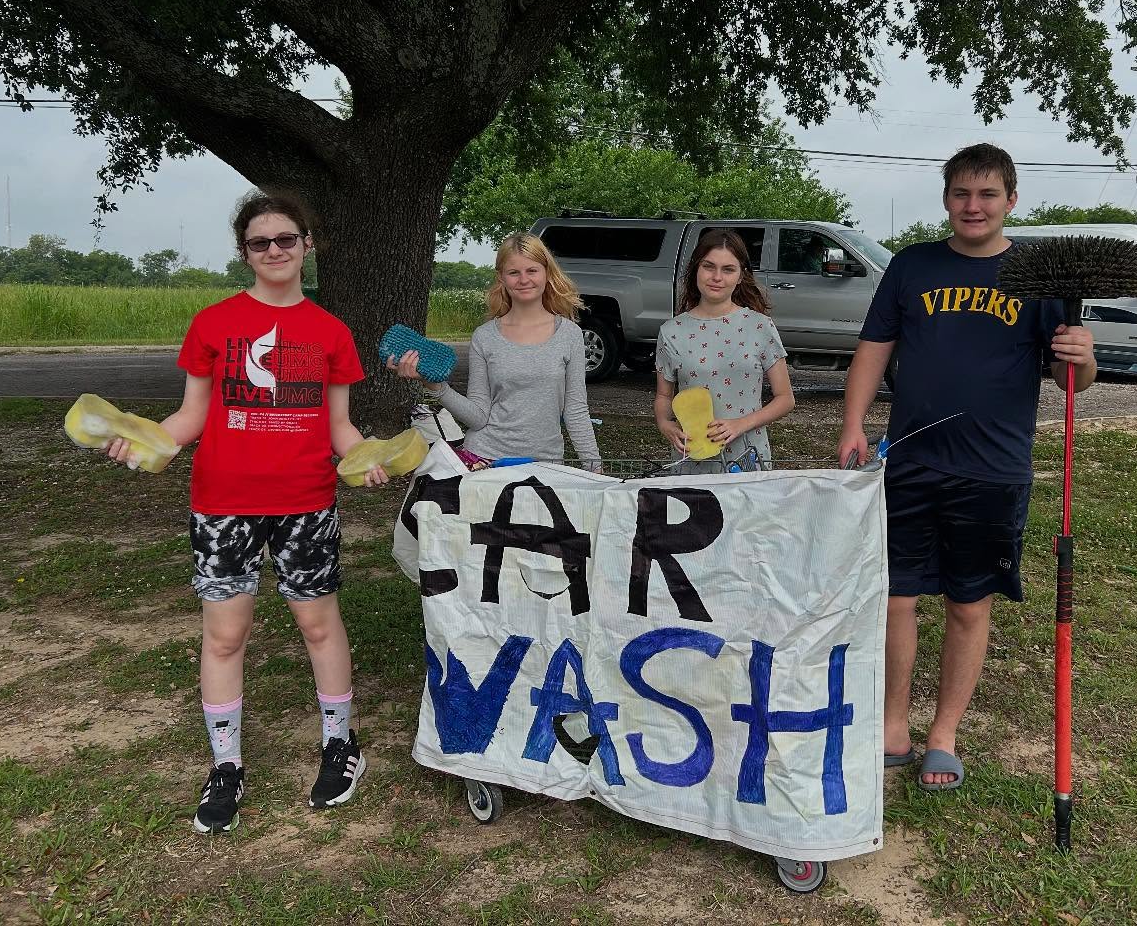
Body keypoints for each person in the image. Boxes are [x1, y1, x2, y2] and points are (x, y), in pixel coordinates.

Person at [101, 190, 388, 834]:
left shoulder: (331, 331)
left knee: (319, 626)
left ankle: (341, 746)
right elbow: (191, 415)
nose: (275, 250)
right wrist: (144, 441)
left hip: (306, 502)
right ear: (245, 253)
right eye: (261, 242)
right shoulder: (213, 323)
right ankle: (226, 766)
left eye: (286, 239)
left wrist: (367, 458)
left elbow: (340, 426)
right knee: (225, 636)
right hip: (223, 503)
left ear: (306, 245)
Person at [835, 144, 1097, 792]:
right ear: (947, 198)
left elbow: (1072, 379)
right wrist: (853, 424)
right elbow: (874, 348)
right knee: (895, 597)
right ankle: (893, 728)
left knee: (968, 603)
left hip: (993, 471)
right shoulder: (912, 265)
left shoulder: (1036, 278)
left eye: (986, 195)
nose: (972, 206)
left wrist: (1083, 356)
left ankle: (944, 736)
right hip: (910, 461)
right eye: (961, 193)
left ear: (1011, 200)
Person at [389, 233, 602, 470]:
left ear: (547, 272)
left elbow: (575, 410)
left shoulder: (570, 334)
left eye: (532, 270)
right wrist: (435, 387)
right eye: (514, 272)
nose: (524, 280)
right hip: (485, 461)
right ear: (501, 277)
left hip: (545, 464)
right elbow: (478, 417)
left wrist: (595, 469)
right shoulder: (484, 337)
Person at [654, 229, 795, 472]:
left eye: (728, 269)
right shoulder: (671, 331)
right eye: (709, 266)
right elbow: (664, 396)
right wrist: (664, 423)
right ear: (696, 269)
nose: (717, 277)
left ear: (740, 276)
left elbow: (785, 399)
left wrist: (741, 424)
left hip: (748, 458)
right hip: (693, 462)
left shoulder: (760, 326)